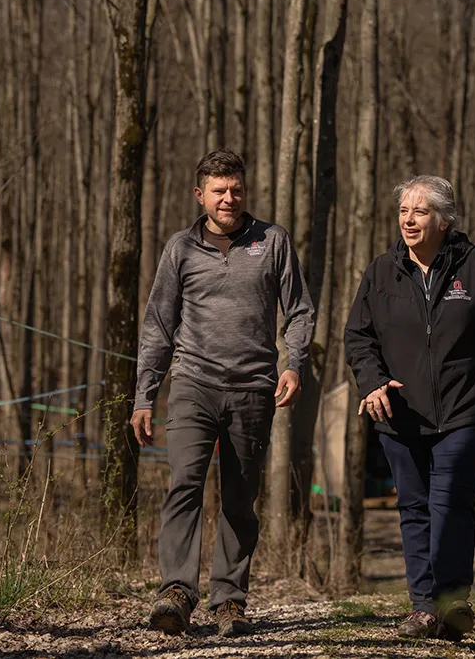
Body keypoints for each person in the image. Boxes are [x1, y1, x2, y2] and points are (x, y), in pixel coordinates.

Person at [344, 175, 475, 640]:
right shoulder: (380, 272)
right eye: (404, 211)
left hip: (466, 408)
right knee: (413, 507)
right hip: (400, 412)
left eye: (421, 211)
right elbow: (359, 337)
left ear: (444, 218)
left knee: (450, 501)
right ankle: (424, 608)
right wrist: (372, 383)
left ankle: (451, 601)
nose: (409, 220)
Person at [131, 149, 316, 637]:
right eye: (218, 190)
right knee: (185, 483)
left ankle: (229, 601)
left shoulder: (272, 241)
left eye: (235, 189)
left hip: (255, 388)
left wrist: (295, 364)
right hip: (192, 384)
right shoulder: (180, 248)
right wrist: (144, 397)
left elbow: (299, 311)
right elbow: (157, 325)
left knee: (239, 497)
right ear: (200, 195)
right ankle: (176, 592)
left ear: (244, 191)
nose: (228, 198)